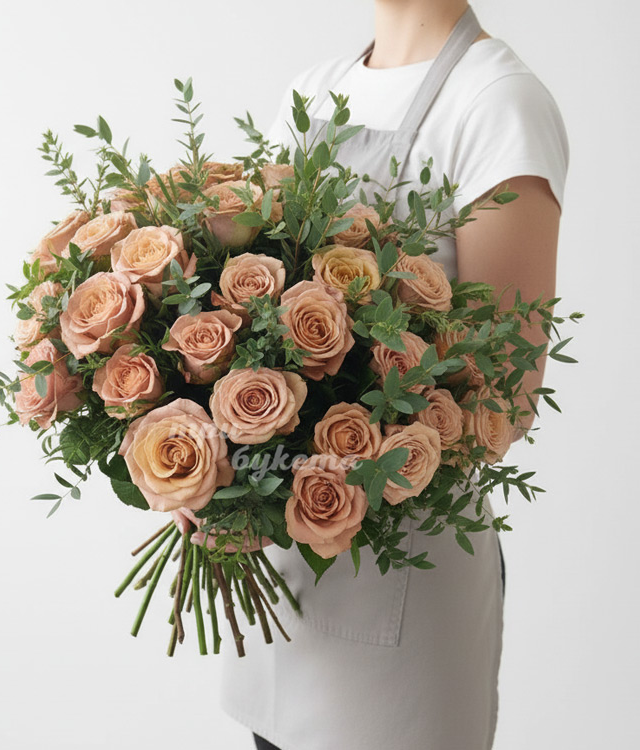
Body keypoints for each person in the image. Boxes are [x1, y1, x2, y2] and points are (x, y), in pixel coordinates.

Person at [219, 2, 568, 749]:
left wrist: (324, 453)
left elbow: (503, 400)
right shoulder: (314, 91)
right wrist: (217, 473)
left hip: (404, 604)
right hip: (281, 589)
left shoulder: (497, 104)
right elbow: (242, 301)